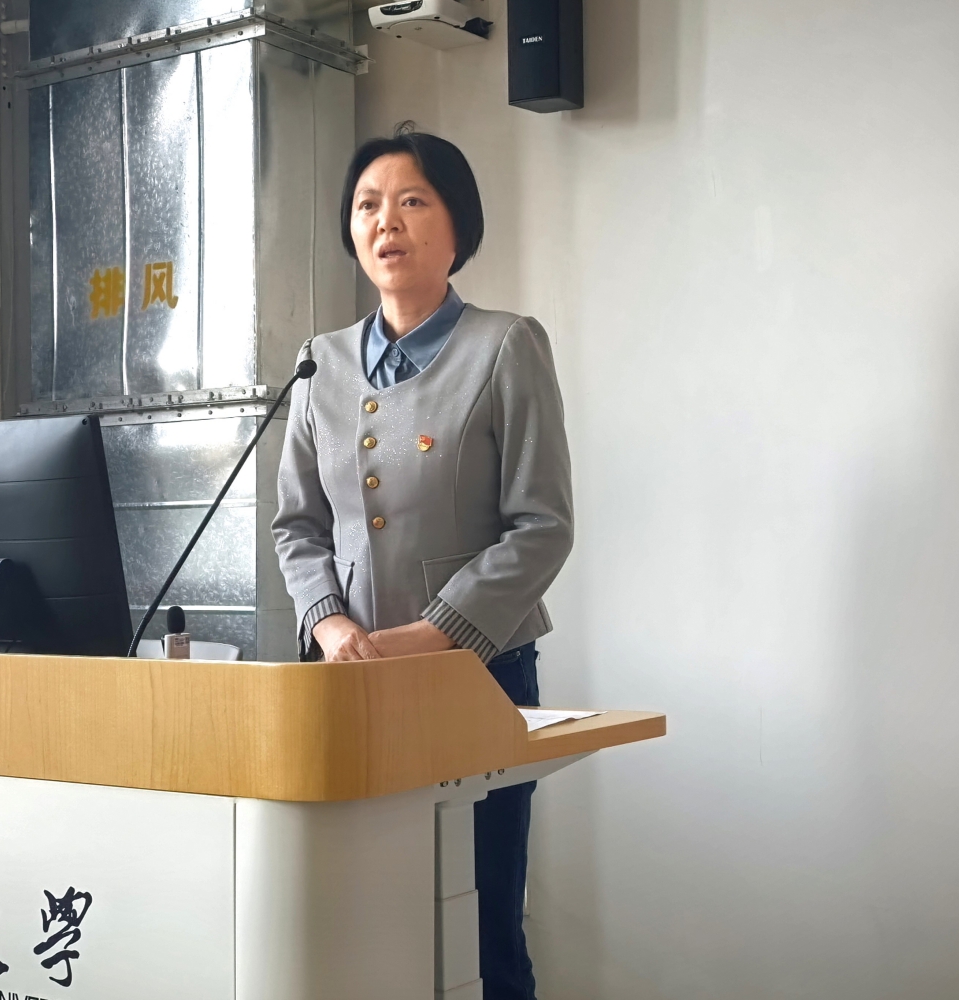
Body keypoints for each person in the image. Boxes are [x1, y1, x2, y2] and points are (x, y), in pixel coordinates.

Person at [271, 122, 573, 1000]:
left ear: (457, 226)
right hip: (346, 687)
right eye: (367, 205)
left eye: (411, 201)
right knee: (367, 929)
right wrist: (329, 625)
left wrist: (431, 635)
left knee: (480, 932)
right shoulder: (317, 364)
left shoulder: (506, 345)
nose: (386, 222)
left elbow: (542, 526)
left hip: (476, 682)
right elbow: (297, 527)